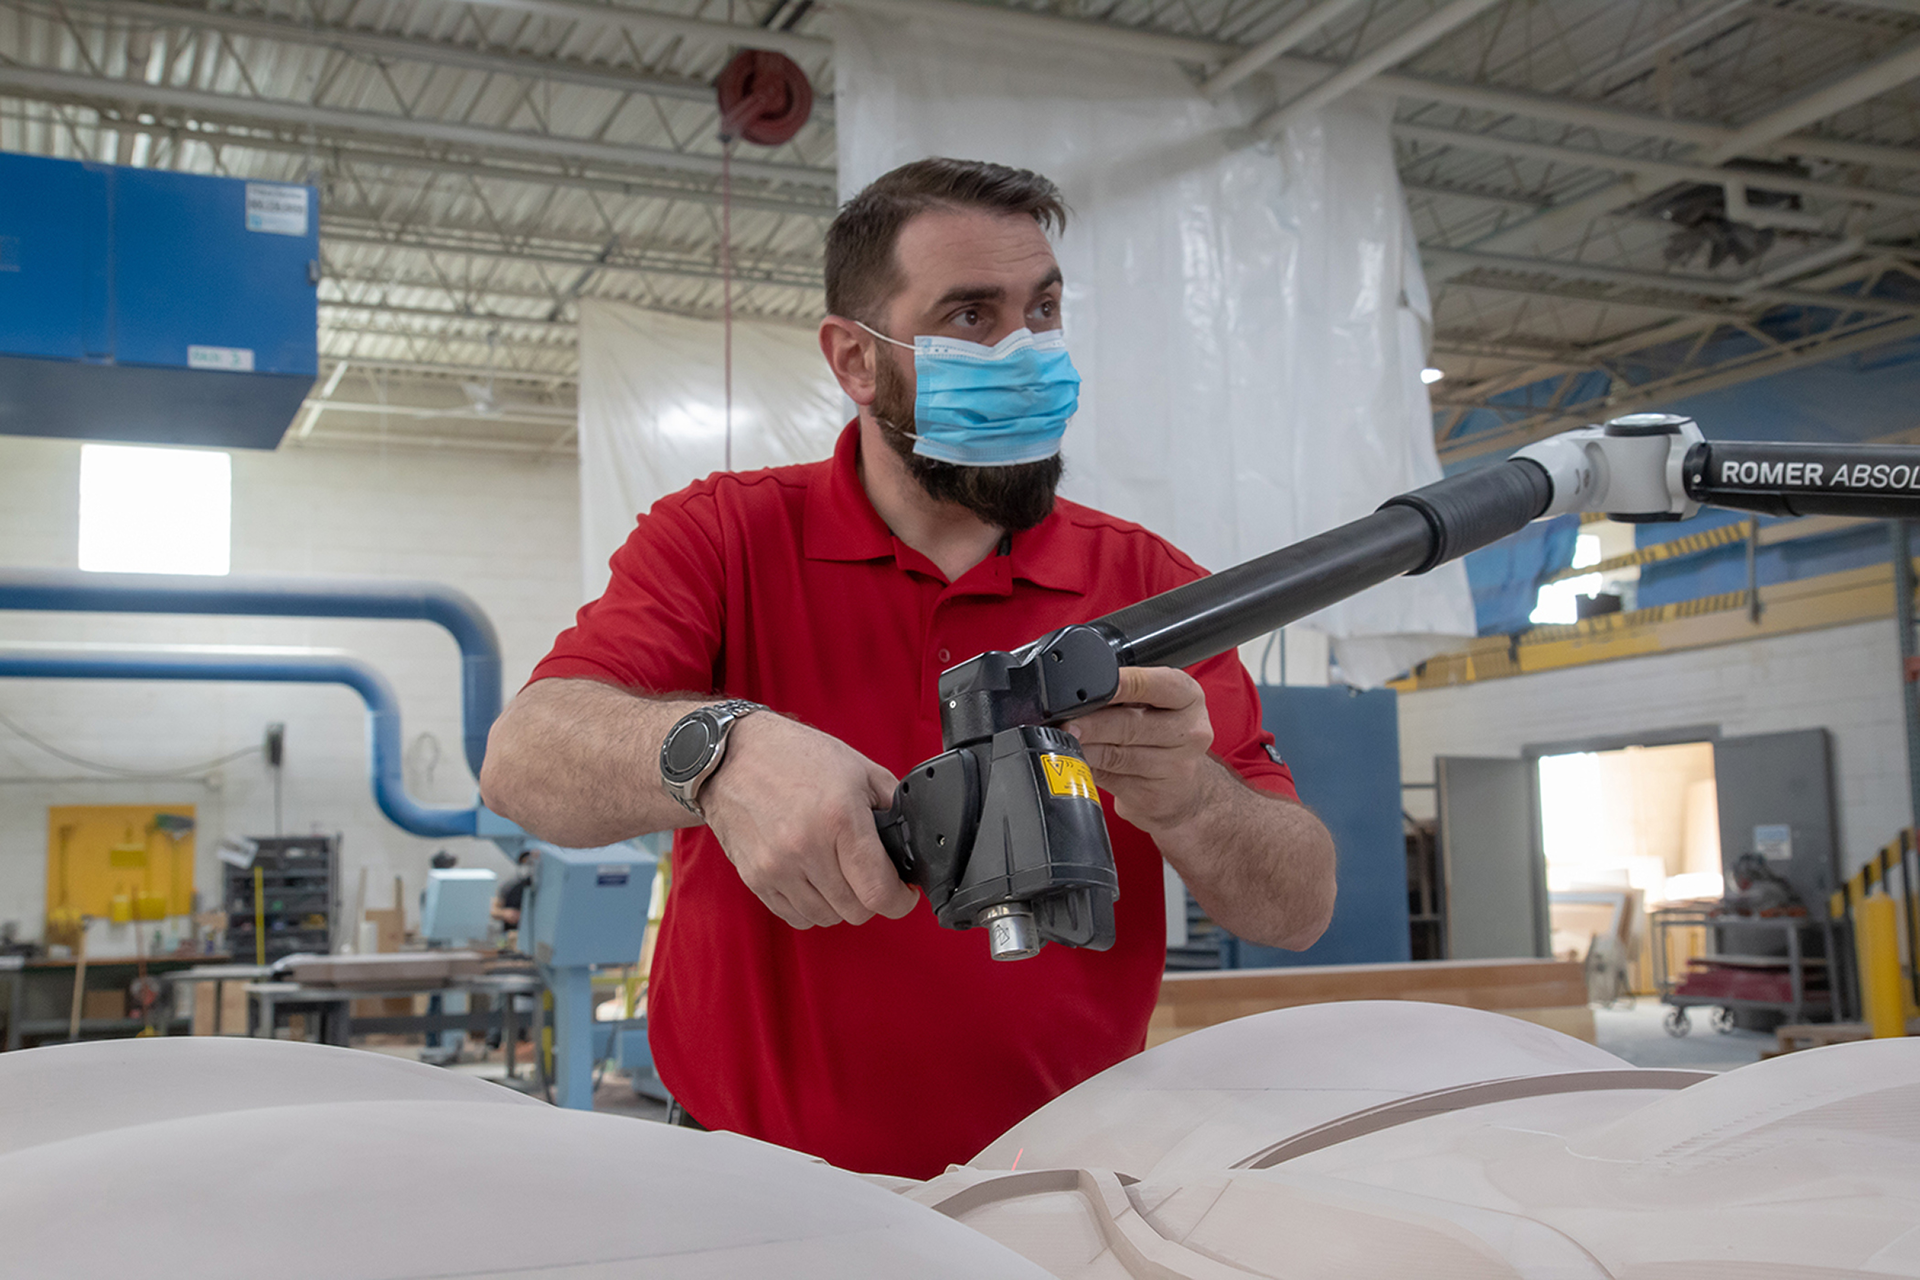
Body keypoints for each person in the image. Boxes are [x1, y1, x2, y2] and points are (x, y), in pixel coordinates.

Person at [480, 158, 1336, 1179]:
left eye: (1044, 310)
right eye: (972, 317)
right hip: (752, 1186)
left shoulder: (1147, 583)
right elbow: (523, 758)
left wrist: (1189, 795)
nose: (1024, 351)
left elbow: (1297, 904)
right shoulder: (724, 538)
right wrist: (719, 749)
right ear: (854, 358)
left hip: (1061, 1195)